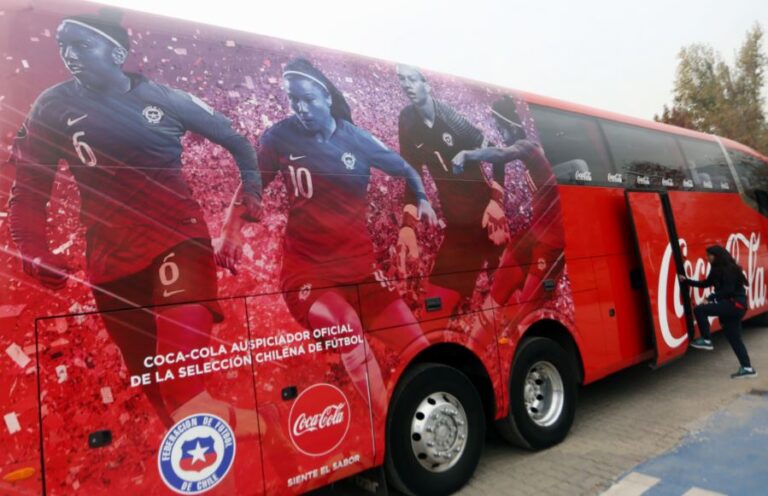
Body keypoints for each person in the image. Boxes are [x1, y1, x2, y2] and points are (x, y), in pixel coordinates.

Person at [9, 10, 263, 429]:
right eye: (63, 46)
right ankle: (260, 434)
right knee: (171, 412)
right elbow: (29, 189)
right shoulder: (52, 107)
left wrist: (246, 202)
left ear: (117, 52)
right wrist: (32, 250)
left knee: (184, 394)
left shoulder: (163, 100)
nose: (69, 55)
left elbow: (238, 142)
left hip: (178, 244)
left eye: (81, 45)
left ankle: (270, 429)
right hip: (110, 268)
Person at [216, 58, 437, 411]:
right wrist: (231, 229)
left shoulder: (357, 140)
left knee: (420, 347)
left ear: (327, 98)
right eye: (293, 100)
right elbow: (252, 186)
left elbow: (407, 168)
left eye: (307, 99)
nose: (300, 108)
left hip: (361, 273)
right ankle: (381, 420)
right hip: (308, 273)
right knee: (347, 330)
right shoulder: (278, 137)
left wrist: (422, 199)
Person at [395, 64, 508, 313]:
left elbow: (498, 155)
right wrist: (407, 225)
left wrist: (496, 201)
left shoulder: (452, 119)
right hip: (458, 229)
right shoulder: (406, 120)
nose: (406, 85)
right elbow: (411, 175)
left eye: (412, 79)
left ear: (427, 83)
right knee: (434, 313)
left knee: (506, 307)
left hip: (487, 220)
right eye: (401, 79)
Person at [452, 95, 565, 308]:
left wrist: (468, 154)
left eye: (501, 130)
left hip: (551, 245)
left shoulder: (528, 147)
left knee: (527, 311)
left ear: (513, 128)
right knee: (495, 299)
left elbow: (501, 154)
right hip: (535, 233)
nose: (501, 137)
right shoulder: (533, 156)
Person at [679, 245, 757, 379]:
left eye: (709, 255)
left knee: (700, 310)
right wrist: (687, 281)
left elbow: (728, 290)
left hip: (735, 305)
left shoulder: (729, 269)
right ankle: (747, 368)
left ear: (717, 256)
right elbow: (705, 284)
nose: (707, 257)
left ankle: (707, 339)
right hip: (733, 306)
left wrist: (710, 298)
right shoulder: (716, 269)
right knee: (734, 339)